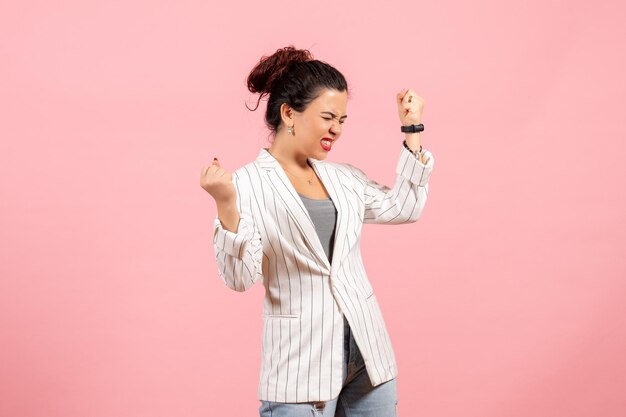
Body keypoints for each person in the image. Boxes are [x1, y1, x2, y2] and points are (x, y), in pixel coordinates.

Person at [200, 45, 434, 417]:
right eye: (328, 117)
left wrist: (412, 130)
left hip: (368, 359)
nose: (337, 130)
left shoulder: (344, 178)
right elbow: (239, 279)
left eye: (342, 119)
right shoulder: (245, 185)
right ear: (289, 113)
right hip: (300, 368)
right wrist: (225, 205)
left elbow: (404, 207)